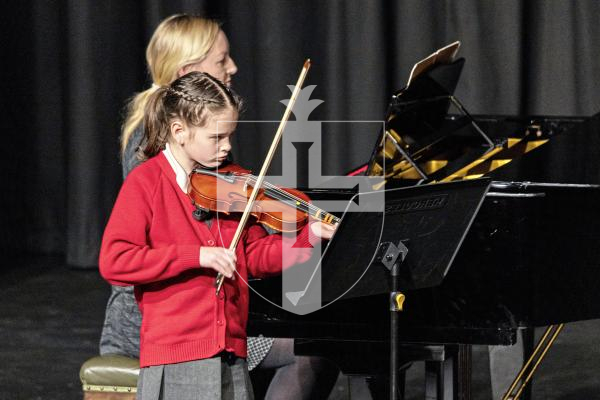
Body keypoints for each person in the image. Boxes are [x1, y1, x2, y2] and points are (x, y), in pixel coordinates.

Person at [100, 14, 339, 399]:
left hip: (228, 341)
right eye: (217, 138)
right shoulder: (148, 176)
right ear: (178, 131)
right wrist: (197, 255)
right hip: (175, 344)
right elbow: (116, 260)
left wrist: (307, 238)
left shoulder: (222, 178)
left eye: (229, 136)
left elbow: (253, 254)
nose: (226, 148)